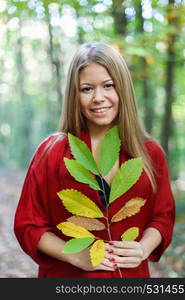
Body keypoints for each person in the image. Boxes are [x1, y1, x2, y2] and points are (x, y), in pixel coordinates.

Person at [14, 42, 175, 278]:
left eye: (108, 86)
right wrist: (75, 255)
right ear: (74, 95)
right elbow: (27, 224)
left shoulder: (150, 153)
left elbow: (163, 216)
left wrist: (142, 248)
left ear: (123, 89)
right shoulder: (51, 152)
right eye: (87, 89)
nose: (98, 98)